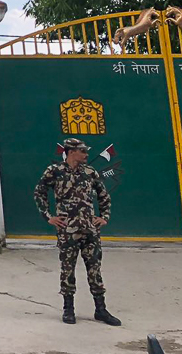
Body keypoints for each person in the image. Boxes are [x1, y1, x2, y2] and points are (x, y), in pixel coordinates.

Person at [34, 137, 121, 326]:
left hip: (90, 230)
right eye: (83, 151)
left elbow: (103, 195)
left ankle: (101, 309)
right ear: (71, 152)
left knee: (95, 270)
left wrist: (104, 217)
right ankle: (68, 309)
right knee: (68, 270)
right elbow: (39, 192)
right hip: (68, 230)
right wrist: (48, 216)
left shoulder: (90, 172)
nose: (86, 154)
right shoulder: (55, 172)